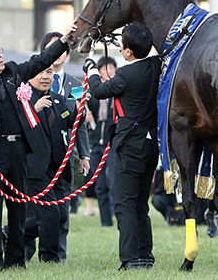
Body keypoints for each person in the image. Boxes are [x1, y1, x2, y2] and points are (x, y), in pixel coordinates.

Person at [0, 25, 75, 269]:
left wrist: (64, 39)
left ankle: (16, 260)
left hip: (19, 150)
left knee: (19, 208)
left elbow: (42, 59)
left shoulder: (14, 72)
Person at [83, 23, 160, 270]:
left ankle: (130, 258)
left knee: (124, 204)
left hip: (129, 147)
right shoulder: (157, 66)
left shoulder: (126, 75)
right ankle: (145, 255)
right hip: (150, 146)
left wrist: (91, 68)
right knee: (140, 204)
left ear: (127, 52)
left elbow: (98, 90)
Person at [20, 65, 87, 263]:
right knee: (49, 213)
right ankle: (49, 258)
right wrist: (34, 109)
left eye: (49, 72)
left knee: (61, 215)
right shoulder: (23, 99)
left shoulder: (58, 99)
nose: (44, 76)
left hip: (58, 167)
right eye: (40, 72)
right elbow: (17, 128)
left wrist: (78, 110)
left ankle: (10, 233)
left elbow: (70, 122)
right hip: (34, 168)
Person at [39, 32, 90, 261]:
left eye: (61, 50)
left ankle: (59, 255)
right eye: (52, 49)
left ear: (67, 55)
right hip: (38, 153)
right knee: (37, 209)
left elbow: (80, 124)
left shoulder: (75, 84)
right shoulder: (32, 81)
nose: (57, 54)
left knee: (62, 207)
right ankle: (27, 250)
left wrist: (85, 155)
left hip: (65, 155)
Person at [85, 56, 117, 227]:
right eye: (105, 68)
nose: (109, 71)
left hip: (112, 144)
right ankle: (106, 222)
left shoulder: (118, 90)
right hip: (96, 142)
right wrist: (86, 117)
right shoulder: (94, 93)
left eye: (112, 68)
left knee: (114, 183)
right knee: (100, 184)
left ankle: (118, 217)